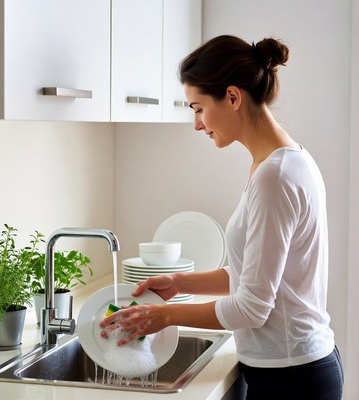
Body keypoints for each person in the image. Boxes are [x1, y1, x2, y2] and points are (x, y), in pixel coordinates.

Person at [100, 35, 344, 399]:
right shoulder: (279, 163)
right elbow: (252, 273)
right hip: (291, 367)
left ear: (232, 97)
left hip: (291, 377)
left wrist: (164, 317)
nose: (196, 124)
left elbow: (252, 307)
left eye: (198, 108)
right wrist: (180, 283)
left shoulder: (275, 177)